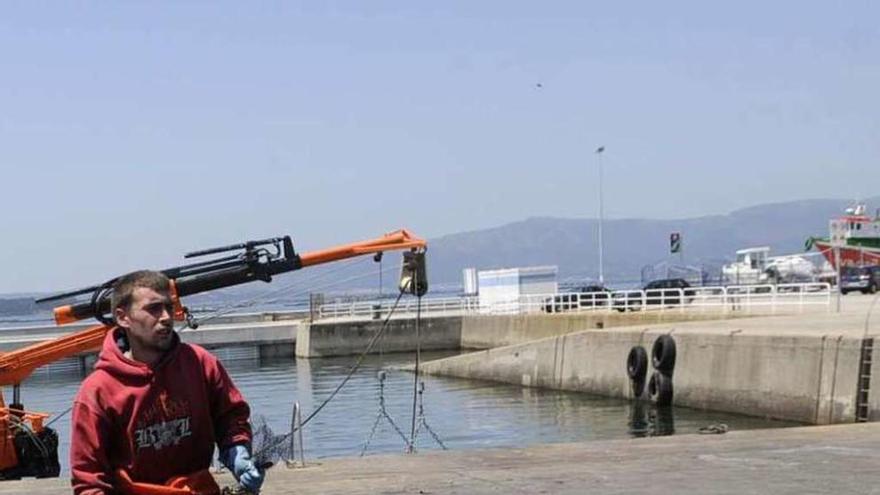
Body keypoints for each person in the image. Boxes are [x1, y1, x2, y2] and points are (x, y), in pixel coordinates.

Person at [69, 270, 264, 494]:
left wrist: (237, 453)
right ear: (123, 317)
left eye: (168, 307)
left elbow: (231, 418)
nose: (165, 317)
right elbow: (89, 480)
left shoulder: (200, 364)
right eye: (153, 309)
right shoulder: (98, 391)